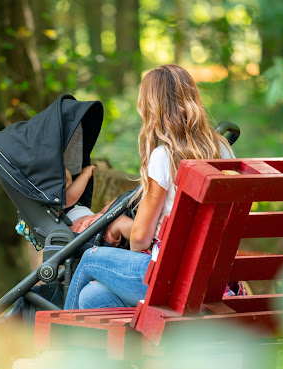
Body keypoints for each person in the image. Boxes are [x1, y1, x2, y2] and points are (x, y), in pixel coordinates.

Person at [64, 64, 240, 310]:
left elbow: (139, 240)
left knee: (90, 259)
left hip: (172, 279)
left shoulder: (164, 156)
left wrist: (119, 224)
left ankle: (60, 345)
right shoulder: (223, 149)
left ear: (150, 107)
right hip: (212, 280)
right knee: (92, 297)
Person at [65, 166, 133, 247]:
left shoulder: (76, 206)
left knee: (118, 205)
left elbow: (98, 216)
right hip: (82, 231)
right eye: (66, 181)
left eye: (71, 181)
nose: (72, 184)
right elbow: (70, 196)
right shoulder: (62, 202)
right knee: (120, 221)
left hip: (91, 223)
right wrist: (84, 175)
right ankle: (144, 240)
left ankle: (140, 237)